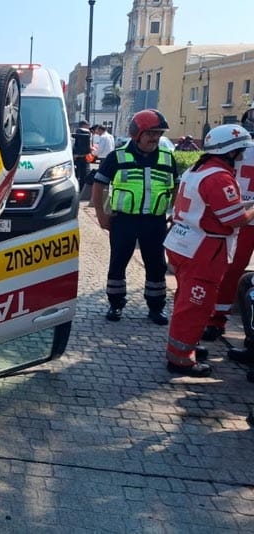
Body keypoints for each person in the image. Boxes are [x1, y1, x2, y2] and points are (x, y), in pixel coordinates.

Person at [162, 124, 254, 376]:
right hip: (205, 249)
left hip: (185, 243)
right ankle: (181, 359)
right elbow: (235, 219)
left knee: (186, 299)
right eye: (240, 151)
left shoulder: (198, 169)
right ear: (230, 151)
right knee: (196, 303)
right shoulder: (220, 177)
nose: (242, 155)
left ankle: (185, 345)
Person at [91, 109, 178, 325]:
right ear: (137, 133)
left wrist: (175, 213)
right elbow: (99, 185)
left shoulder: (168, 159)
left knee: (156, 265)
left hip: (155, 221)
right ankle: (116, 304)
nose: (155, 138)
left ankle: (156, 307)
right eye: (150, 133)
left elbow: (177, 188)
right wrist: (101, 214)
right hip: (124, 220)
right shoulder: (117, 157)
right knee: (119, 261)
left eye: (158, 133)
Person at [203, 106, 254, 343]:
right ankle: (218, 319)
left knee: (231, 272)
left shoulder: (236, 149)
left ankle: (217, 320)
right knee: (231, 271)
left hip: (240, 217)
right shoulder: (237, 149)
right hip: (241, 218)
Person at [72, 120, 92, 191]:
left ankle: (80, 188)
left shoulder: (83, 134)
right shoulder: (80, 132)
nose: (88, 127)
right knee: (79, 174)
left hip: (82, 156)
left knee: (81, 174)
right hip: (78, 157)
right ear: (83, 125)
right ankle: (79, 188)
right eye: (87, 125)